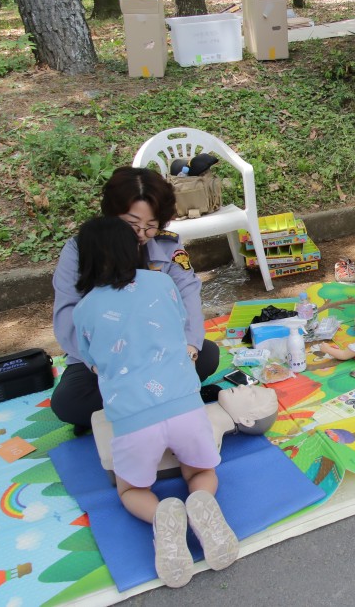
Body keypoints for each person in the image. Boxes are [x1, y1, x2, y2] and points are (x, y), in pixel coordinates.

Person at [72, 217, 238, 589]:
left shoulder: (83, 310)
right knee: (199, 471)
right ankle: (202, 501)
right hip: (184, 405)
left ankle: (163, 514)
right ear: (136, 250)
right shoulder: (162, 282)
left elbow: (89, 359)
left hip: (133, 420)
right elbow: (179, 324)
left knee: (130, 490)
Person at [51, 167, 220, 431]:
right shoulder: (81, 249)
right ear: (112, 214)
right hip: (106, 360)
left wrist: (190, 348)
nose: (141, 234)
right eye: (131, 224)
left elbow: (189, 295)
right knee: (68, 403)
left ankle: (130, 407)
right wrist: (97, 364)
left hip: (159, 352)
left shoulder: (168, 247)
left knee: (208, 355)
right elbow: (67, 316)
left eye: (151, 226)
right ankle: (165, 400)